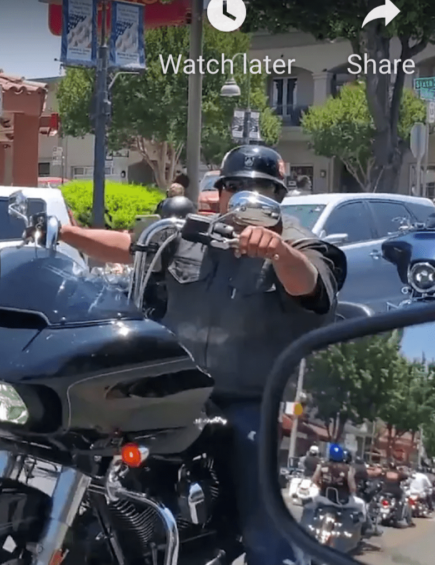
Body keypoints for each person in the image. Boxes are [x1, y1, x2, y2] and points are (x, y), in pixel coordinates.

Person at [38, 145, 345, 565]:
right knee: (95, 438)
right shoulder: (193, 233)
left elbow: (310, 285)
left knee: (263, 503)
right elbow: (133, 246)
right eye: (235, 186)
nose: (246, 196)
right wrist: (67, 234)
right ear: (219, 192)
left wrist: (276, 251)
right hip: (179, 388)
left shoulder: (300, 244)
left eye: (260, 189)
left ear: (277, 197)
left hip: (255, 397)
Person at [312, 444, 371, 533]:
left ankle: (314, 517)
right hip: (342, 502)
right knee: (362, 504)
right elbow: (352, 488)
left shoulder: (321, 465)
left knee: (312, 500)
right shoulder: (348, 469)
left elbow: (314, 479)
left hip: (324, 498)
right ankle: (363, 528)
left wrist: (321, 487)